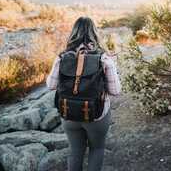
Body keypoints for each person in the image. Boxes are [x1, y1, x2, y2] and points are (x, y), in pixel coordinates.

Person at [46, 17, 121, 171]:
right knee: (97, 148)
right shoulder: (104, 58)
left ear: (74, 33)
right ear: (94, 33)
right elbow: (115, 91)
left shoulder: (62, 57)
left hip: (69, 113)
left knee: (75, 151)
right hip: (97, 116)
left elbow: (51, 85)